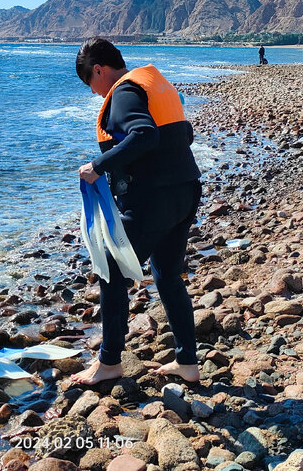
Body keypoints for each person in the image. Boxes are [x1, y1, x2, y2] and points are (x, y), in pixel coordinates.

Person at [71, 38, 203, 384]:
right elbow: (182, 134)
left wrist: (98, 165)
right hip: (186, 191)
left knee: (112, 269)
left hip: (154, 200)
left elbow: (144, 134)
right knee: (167, 274)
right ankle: (187, 363)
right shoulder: (155, 84)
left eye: (90, 82)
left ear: (98, 69)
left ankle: (110, 362)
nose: (94, 92)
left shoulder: (124, 92)